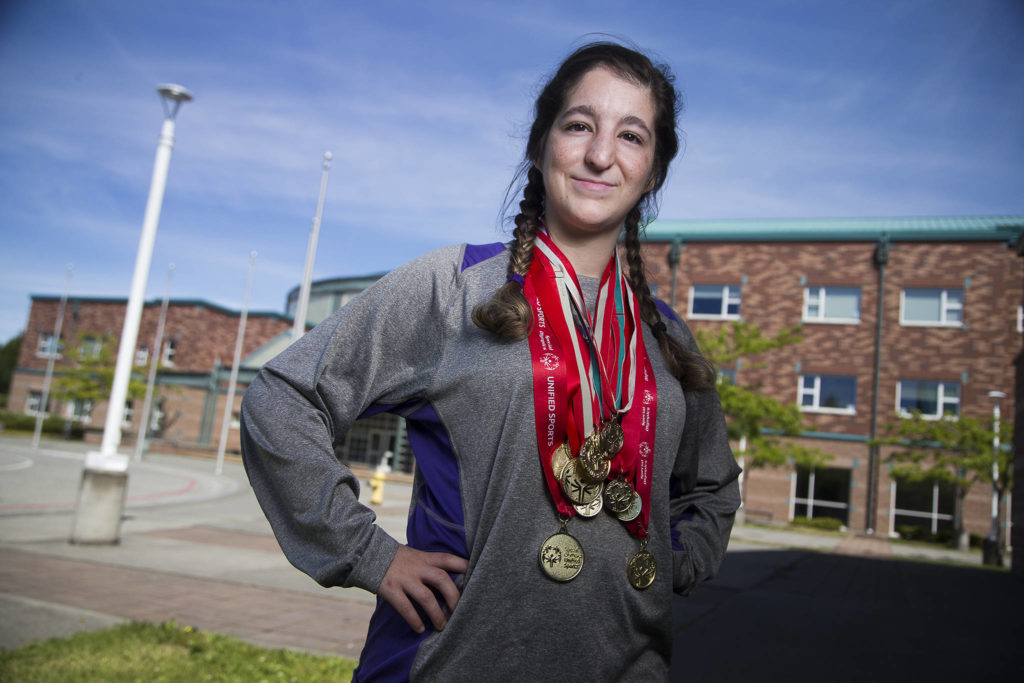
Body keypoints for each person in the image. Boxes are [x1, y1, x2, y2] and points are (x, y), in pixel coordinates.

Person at [240, 40, 741, 682]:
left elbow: (711, 484)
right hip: (450, 662)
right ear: (541, 146)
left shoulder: (667, 336)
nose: (600, 154)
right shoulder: (453, 287)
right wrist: (367, 552)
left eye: (632, 136)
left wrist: (679, 559)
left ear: (654, 171)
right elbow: (283, 397)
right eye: (580, 125)